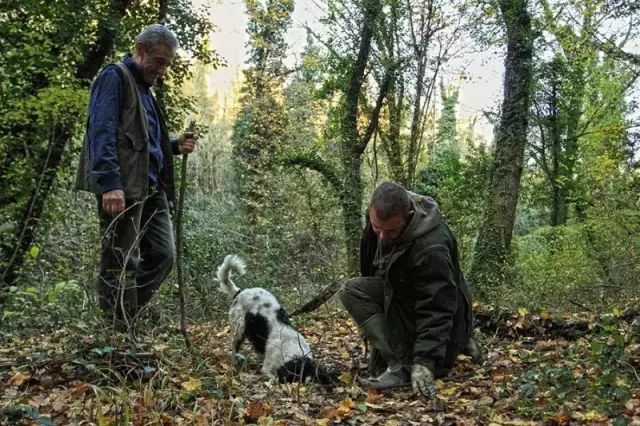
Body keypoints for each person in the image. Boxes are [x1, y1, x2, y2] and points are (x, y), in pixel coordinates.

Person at [75, 24, 197, 331]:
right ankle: (117, 333)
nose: (163, 70)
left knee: (163, 255)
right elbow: (100, 131)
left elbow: (144, 143)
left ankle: (125, 317)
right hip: (124, 187)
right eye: (159, 61)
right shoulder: (114, 77)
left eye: (167, 64)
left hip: (150, 186)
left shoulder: (145, 90)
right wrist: (109, 183)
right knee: (120, 262)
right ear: (139, 50)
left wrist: (173, 146)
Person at [340, 181, 480, 396]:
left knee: (355, 292)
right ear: (370, 211)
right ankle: (402, 358)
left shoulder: (431, 247)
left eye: (392, 230)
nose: (383, 237)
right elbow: (374, 274)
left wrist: (424, 362)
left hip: (435, 310)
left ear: (410, 214)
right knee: (353, 291)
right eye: (377, 228)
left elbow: (438, 307)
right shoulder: (379, 220)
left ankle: (401, 367)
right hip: (402, 296)